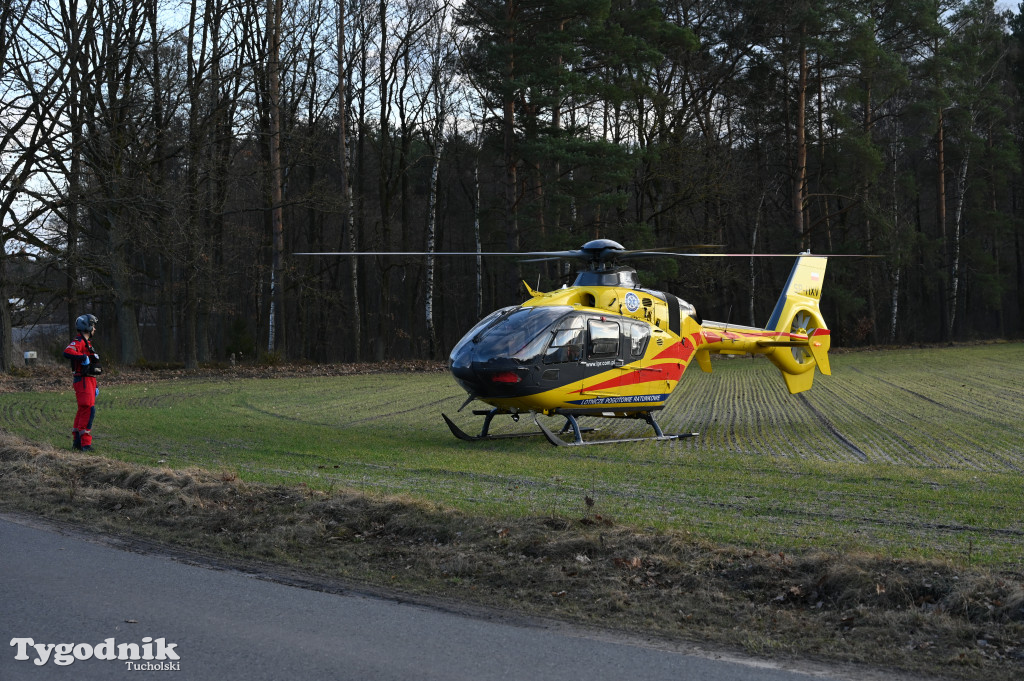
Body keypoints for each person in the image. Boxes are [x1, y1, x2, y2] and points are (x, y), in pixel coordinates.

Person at [63, 314, 101, 451]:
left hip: (89, 380)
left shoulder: (87, 343)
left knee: (83, 409)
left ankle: (77, 442)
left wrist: (95, 385)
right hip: (83, 380)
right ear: (88, 327)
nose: (94, 329)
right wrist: (83, 357)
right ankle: (85, 444)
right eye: (93, 326)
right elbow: (67, 352)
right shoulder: (78, 341)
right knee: (88, 409)